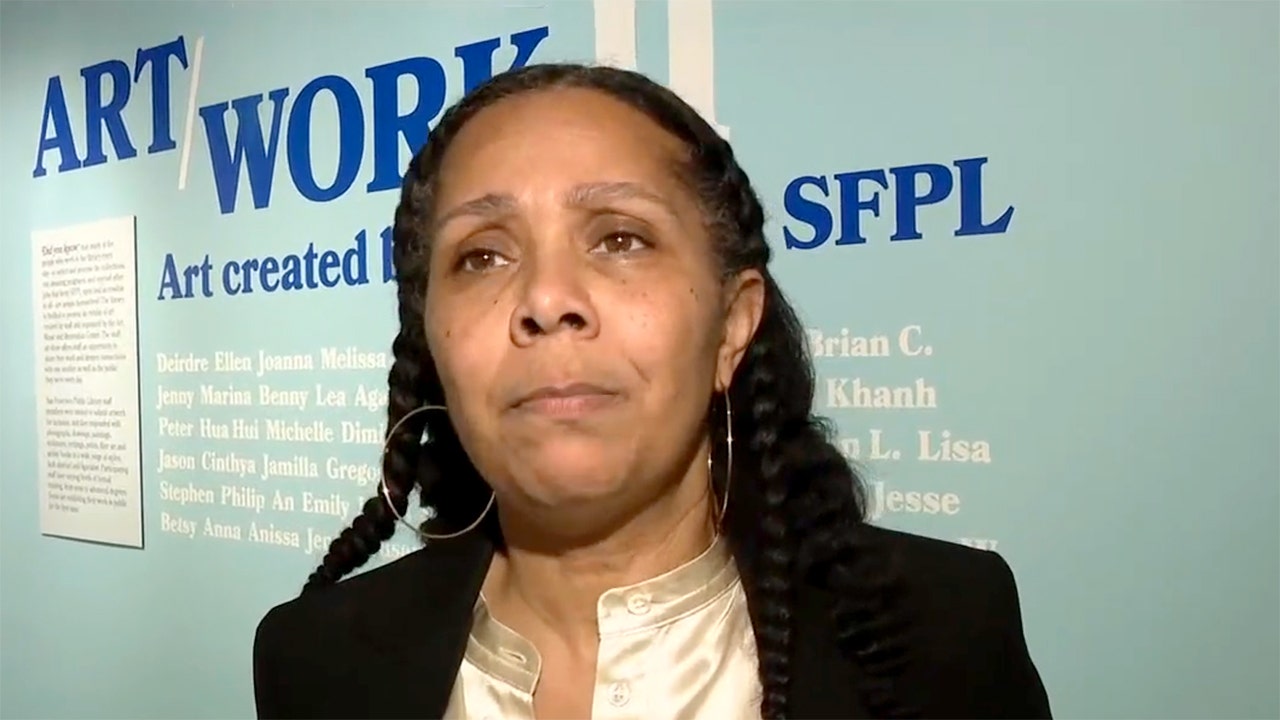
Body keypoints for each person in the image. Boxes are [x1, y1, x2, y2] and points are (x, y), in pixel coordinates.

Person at [251, 62, 1052, 720]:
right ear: (431, 337)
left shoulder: (940, 635)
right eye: (482, 256)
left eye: (620, 238)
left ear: (732, 326)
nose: (546, 299)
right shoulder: (315, 662)